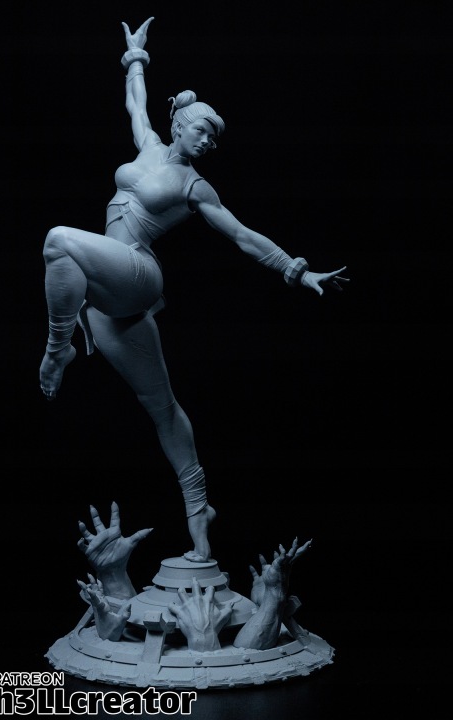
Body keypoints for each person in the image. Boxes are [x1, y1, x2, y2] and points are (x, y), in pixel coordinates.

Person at [39, 17, 349, 564]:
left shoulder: (194, 185)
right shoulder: (148, 146)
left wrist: (296, 270)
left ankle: (58, 348)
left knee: (59, 240)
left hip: (138, 275)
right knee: (162, 407)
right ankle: (199, 513)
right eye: (202, 130)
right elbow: (136, 105)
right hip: (112, 307)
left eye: (214, 138)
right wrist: (136, 58)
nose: (208, 141)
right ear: (179, 125)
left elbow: (242, 235)